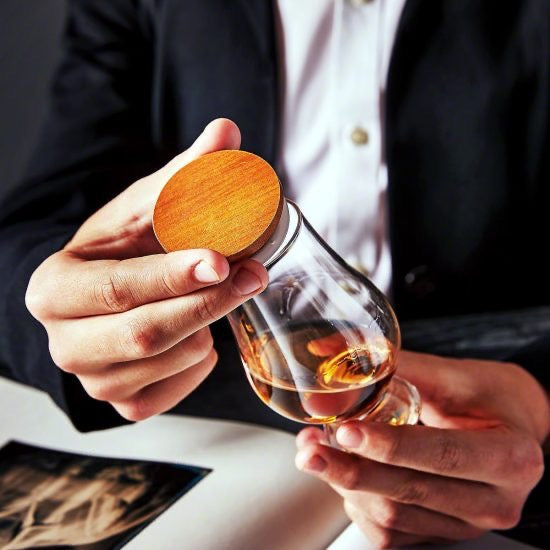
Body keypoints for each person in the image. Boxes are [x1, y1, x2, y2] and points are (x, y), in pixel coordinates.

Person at [0, 1, 548, 547]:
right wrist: (68, 310)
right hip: (226, 404)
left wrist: (542, 396)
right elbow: (26, 241)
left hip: (509, 411)